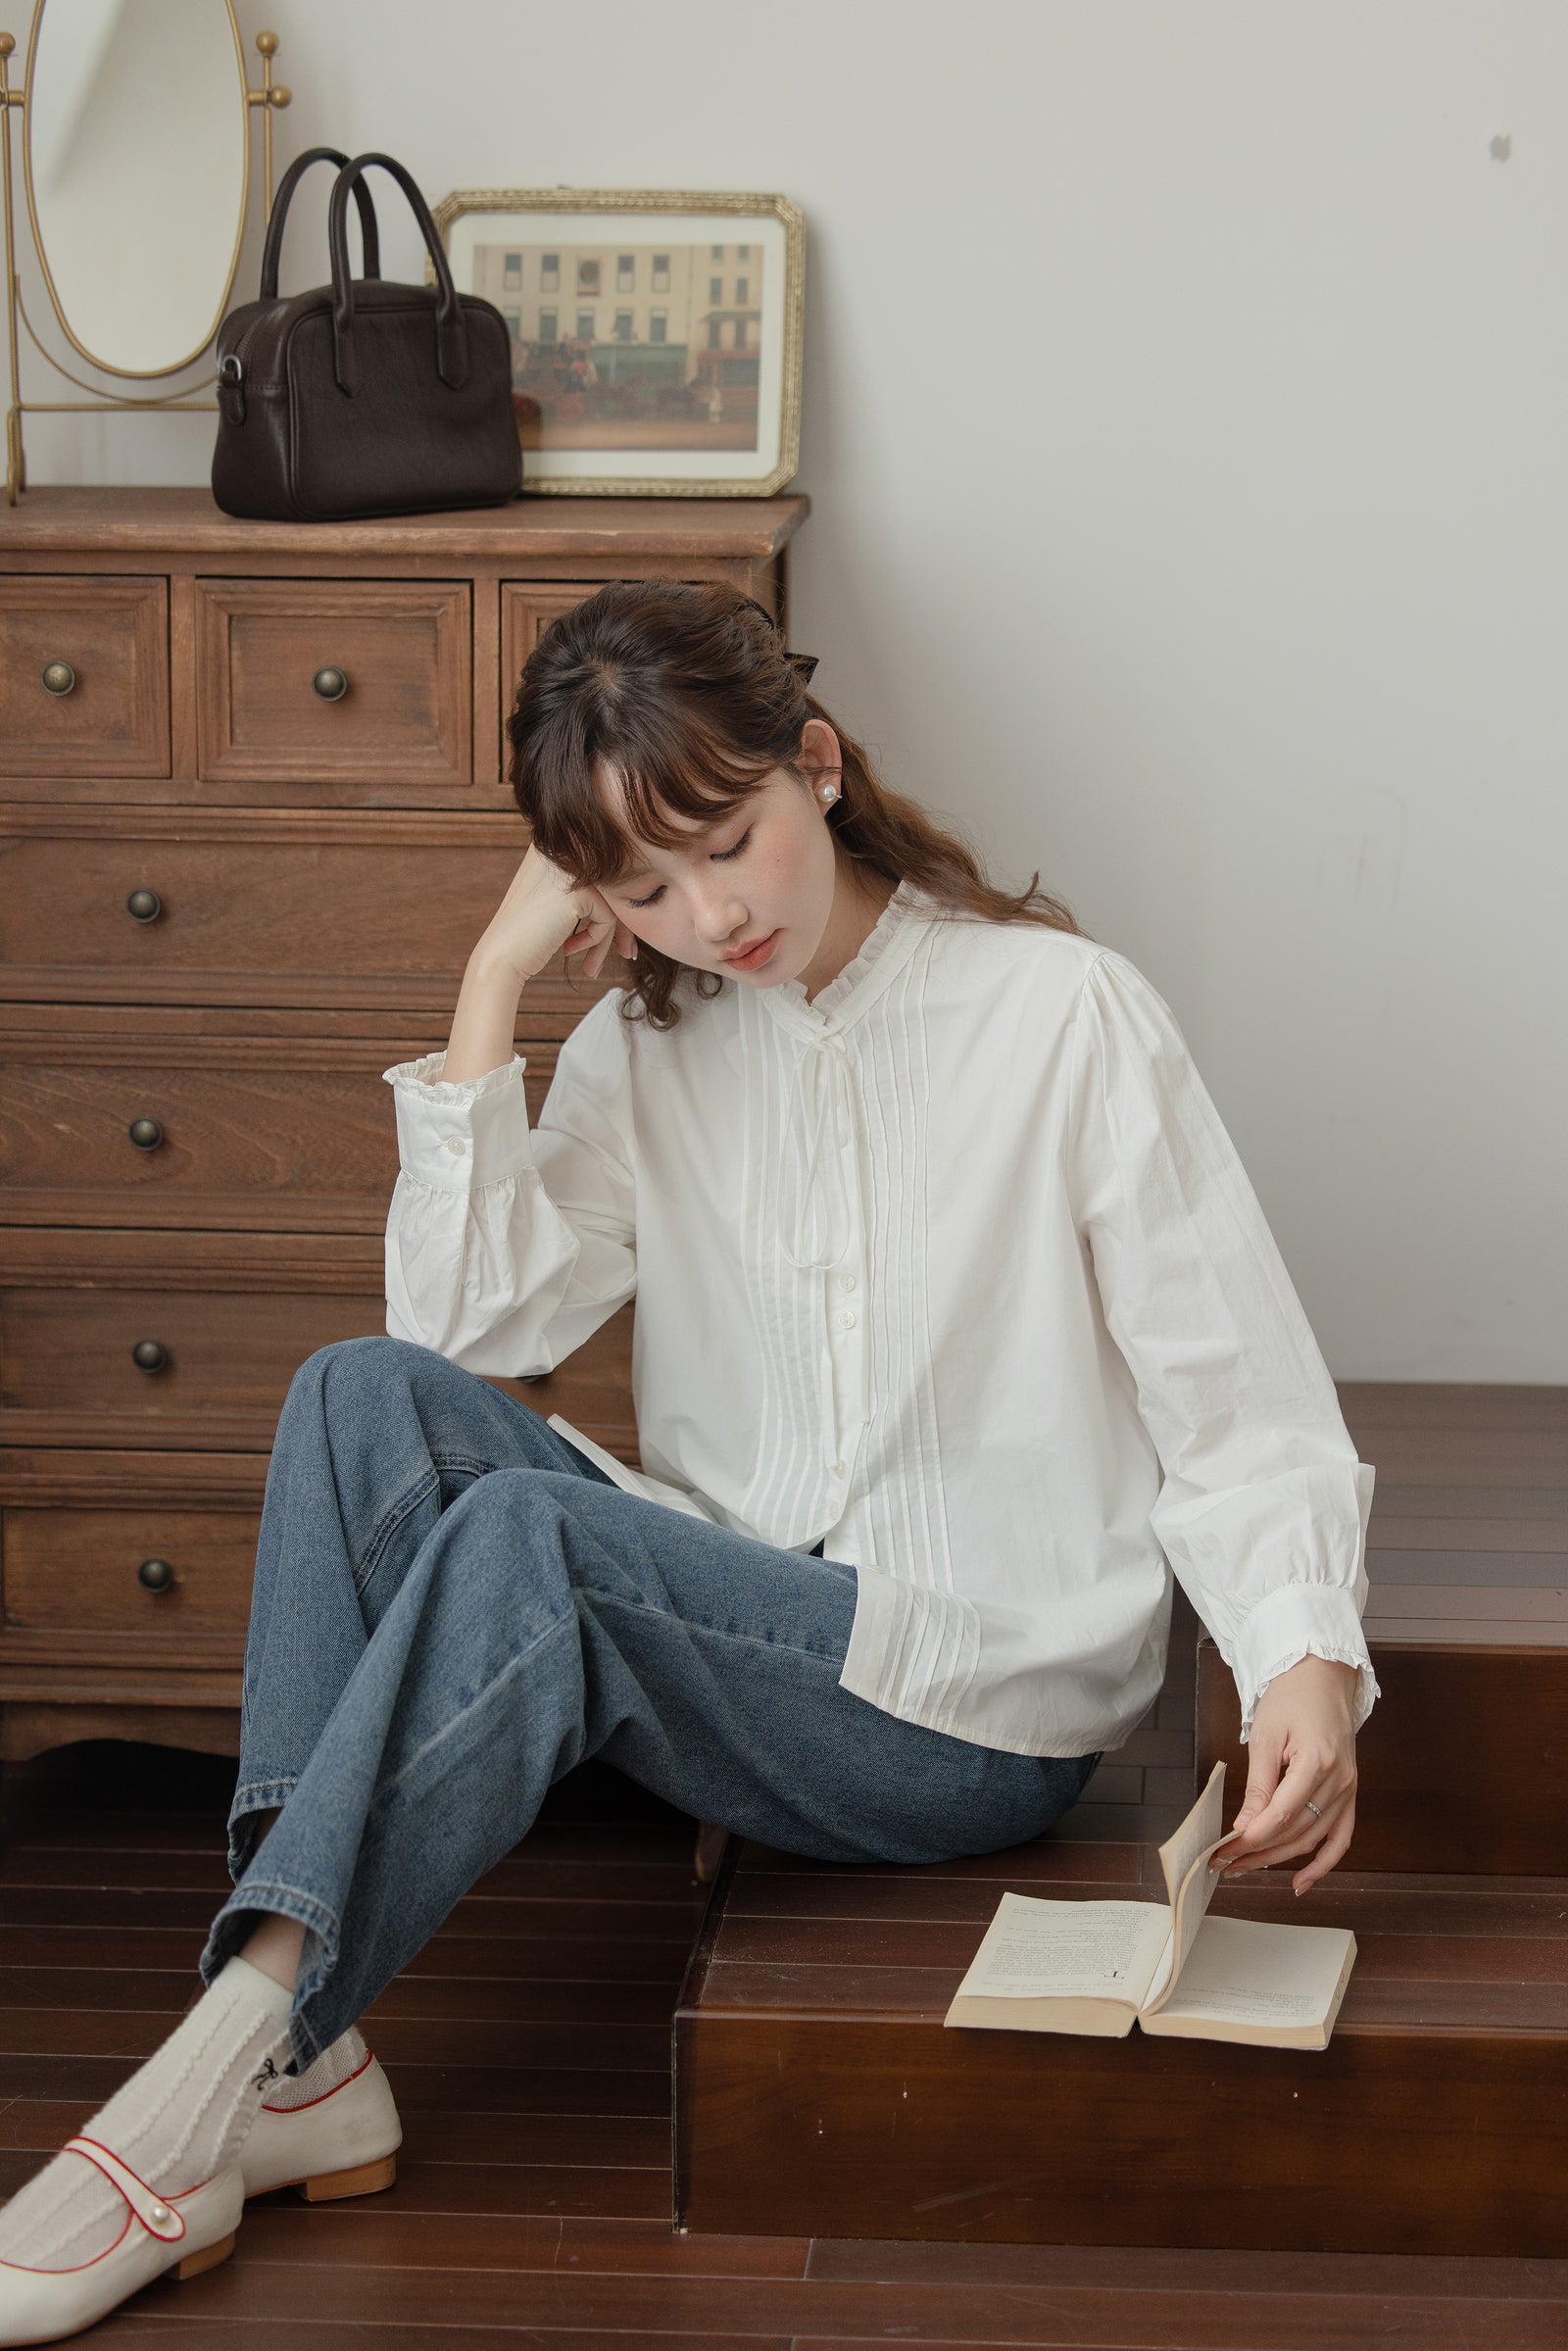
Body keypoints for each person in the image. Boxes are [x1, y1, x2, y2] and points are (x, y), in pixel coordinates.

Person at [0, 581, 1379, 2341]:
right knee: (357, 1394)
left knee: (530, 1542)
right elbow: (460, 1342)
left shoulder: (1063, 1014)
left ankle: (198, 2087)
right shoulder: (650, 1044)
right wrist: (494, 982)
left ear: (813, 764)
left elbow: (1232, 1384)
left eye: (731, 844)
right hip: (735, 1623)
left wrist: (1304, 1660)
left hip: (971, 1695)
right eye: (641, 888)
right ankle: (303, 2058)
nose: (709, 915)